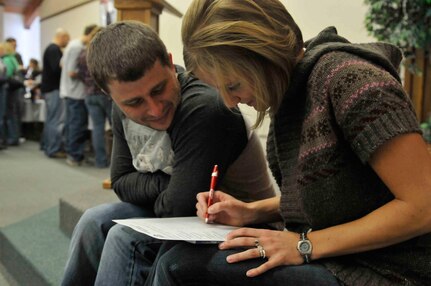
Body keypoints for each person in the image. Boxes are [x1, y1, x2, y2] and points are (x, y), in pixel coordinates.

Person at [147, 0, 431, 285]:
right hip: (338, 255)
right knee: (176, 250)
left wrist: (305, 245)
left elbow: (422, 207)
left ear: (265, 54)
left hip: (387, 270)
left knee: (181, 267)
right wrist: (251, 211)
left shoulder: (354, 83)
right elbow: (334, 193)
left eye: (233, 85)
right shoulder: (293, 91)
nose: (230, 101)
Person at [60, 21, 276, 286]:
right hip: (182, 216)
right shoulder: (122, 108)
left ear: (171, 64)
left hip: (240, 222)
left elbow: (178, 206)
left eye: (158, 89)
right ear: (111, 97)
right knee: (92, 221)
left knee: (124, 237)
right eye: (135, 102)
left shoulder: (204, 108)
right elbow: (120, 182)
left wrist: (165, 191)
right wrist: (171, 186)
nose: (154, 109)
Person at [60, 24, 97, 166]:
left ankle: (71, 153)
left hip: (70, 92)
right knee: (77, 125)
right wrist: (86, 76)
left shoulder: (72, 44)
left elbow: (62, 64)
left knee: (71, 124)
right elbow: (71, 71)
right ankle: (75, 155)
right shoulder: (77, 47)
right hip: (76, 93)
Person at [77, 26, 112, 168]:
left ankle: (100, 161)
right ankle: (121, 162)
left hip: (89, 94)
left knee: (97, 128)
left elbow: (79, 74)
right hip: (105, 94)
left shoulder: (82, 53)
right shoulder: (104, 52)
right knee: (117, 129)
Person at [41, 28, 70, 157]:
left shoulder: (50, 48)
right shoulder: (54, 49)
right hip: (54, 89)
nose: (67, 42)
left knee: (50, 119)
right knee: (55, 120)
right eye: (67, 39)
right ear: (62, 37)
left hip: (49, 89)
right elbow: (56, 69)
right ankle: (53, 149)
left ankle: (47, 146)